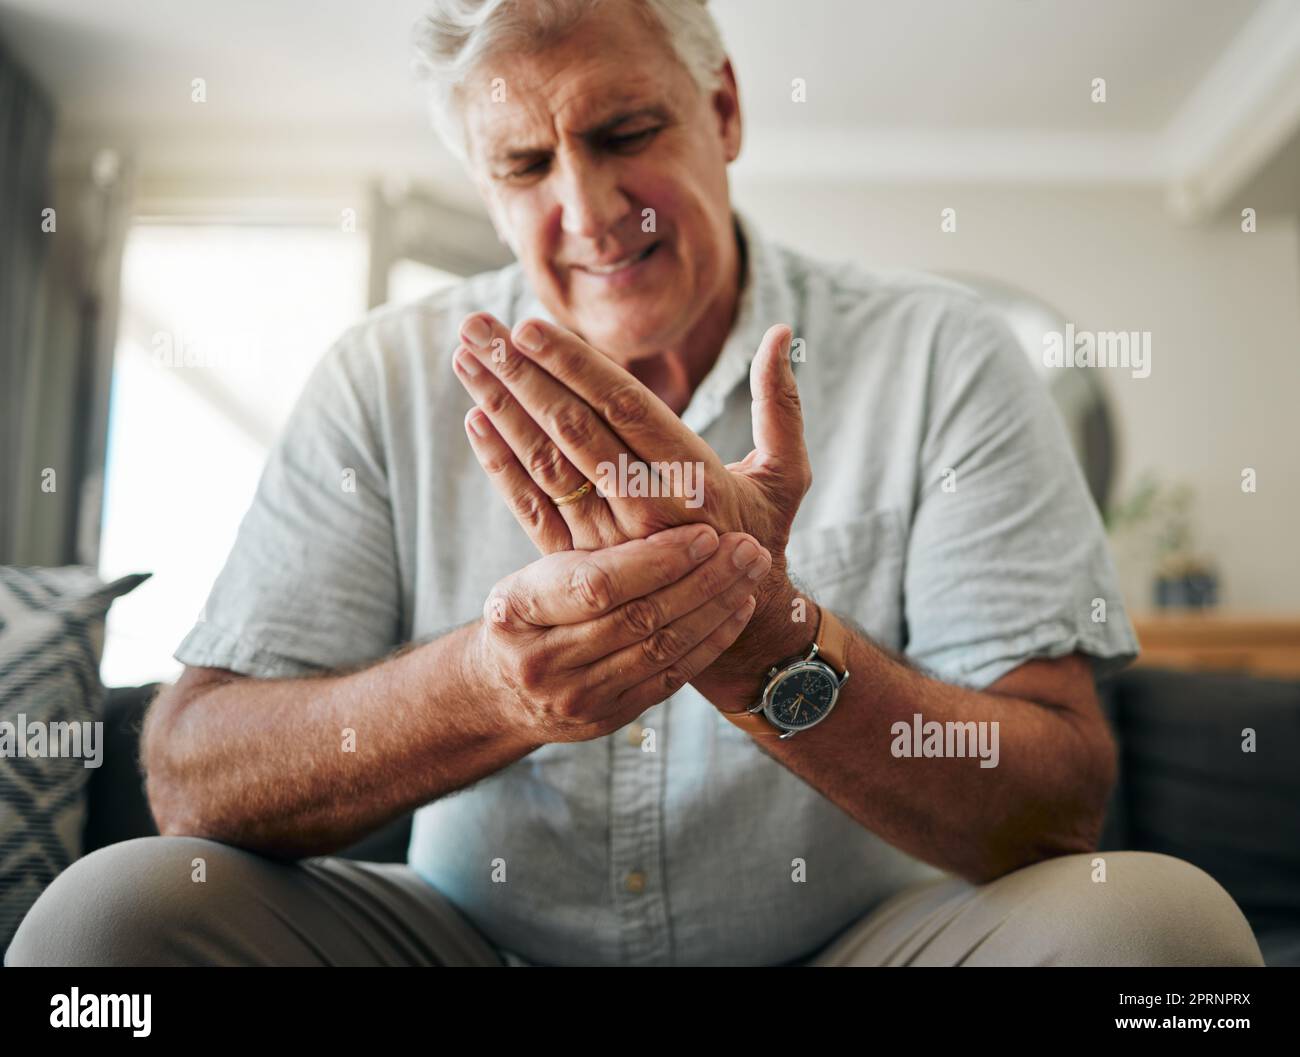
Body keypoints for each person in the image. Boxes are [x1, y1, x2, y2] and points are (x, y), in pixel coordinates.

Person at [6, 0, 1264, 967]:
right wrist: (493, 686)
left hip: (851, 947)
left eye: (624, 134)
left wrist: (760, 641)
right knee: (108, 921)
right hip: (469, 942)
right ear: (485, 187)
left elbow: (1059, 799)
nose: (590, 209)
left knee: (1163, 932)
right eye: (524, 166)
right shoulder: (385, 375)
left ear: (722, 109)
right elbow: (190, 773)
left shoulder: (943, 354)